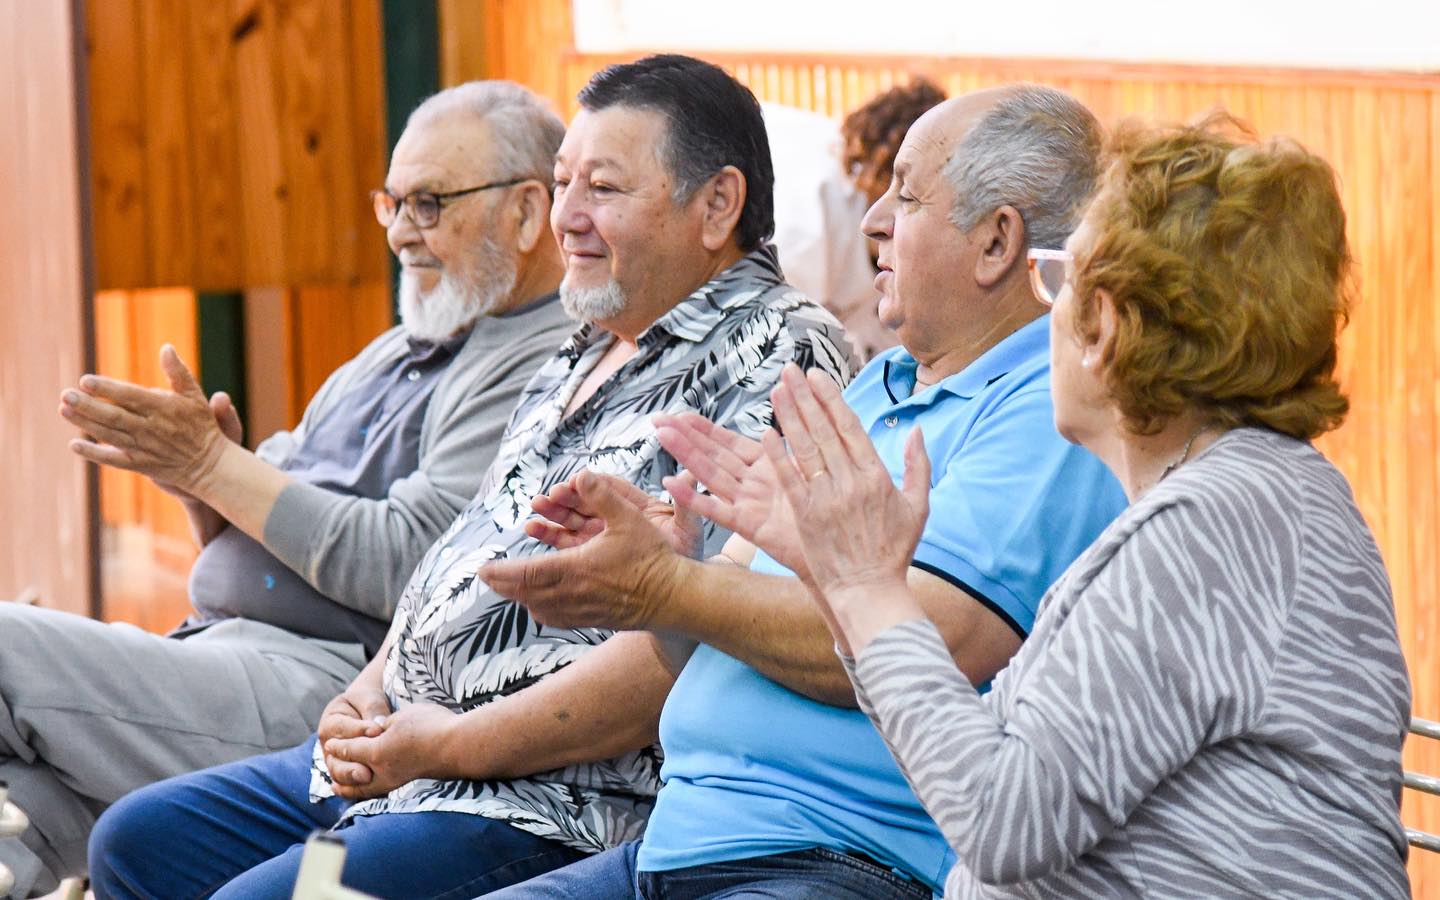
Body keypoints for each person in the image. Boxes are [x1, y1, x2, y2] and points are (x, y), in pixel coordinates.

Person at [87, 54, 852, 900]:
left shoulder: (781, 358)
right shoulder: (582, 347)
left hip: (534, 799)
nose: (566, 219)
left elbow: (682, 653)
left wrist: (443, 747)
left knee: (271, 899)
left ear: (717, 206)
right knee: (136, 842)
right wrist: (363, 693)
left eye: (602, 189)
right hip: (397, 753)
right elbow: (456, 558)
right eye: (563, 184)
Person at [481, 85, 1128, 899]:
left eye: (909, 194)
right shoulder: (880, 384)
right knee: (307, 867)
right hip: (676, 845)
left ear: (998, 243)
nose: (873, 220)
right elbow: (723, 617)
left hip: (834, 859)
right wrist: (670, 582)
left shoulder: (1043, 407)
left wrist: (671, 587)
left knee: (324, 878)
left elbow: (936, 642)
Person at [741, 115, 1413, 896]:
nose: (1048, 312)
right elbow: (1000, 759)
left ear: (1109, 327)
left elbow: (1003, 821)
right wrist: (845, 579)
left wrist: (865, 587)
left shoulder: (1219, 525)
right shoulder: (1245, 500)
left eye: (1058, 280)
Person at [0, 80, 572, 898]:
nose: (403, 232)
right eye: (392, 203)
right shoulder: (396, 346)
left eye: (431, 203)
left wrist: (216, 469)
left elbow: (414, 561)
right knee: (26, 805)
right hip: (216, 652)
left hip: (327, 688)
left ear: (526, 212)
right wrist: (203, 486)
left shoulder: (539, 361)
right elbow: (261, 534)